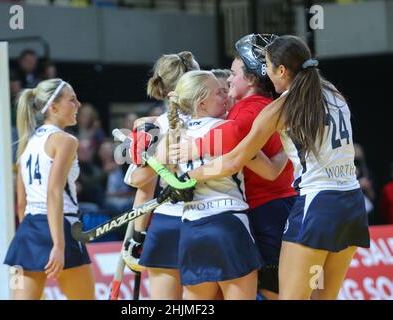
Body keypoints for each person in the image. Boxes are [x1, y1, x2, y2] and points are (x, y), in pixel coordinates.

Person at [172, 35, 370, 300]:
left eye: (268, 67)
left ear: (281, 70)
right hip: (353, 204)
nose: (266, 76)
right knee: (324, 297)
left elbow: (233, 161)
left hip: (317, 204)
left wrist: (190, 175)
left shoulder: (279, 108)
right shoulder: (333, 92)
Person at [171, 34, 297, 299]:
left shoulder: (237, 115)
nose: (228, 81)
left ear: (250, 79)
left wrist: (195, 154)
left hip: (245, 214)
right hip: (253, 215)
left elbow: (237, 142)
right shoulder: (261, 109)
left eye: (232, 74)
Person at [4, 78, 95, 300]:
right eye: (72, 100)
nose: (78, 104)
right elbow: (53, 192)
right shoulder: (65, 140)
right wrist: (58, 245)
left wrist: (30, 238)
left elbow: (21, 204)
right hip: (60, 227)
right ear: (53, 107)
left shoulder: (26, 142)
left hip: (28, 231)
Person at [122, 51, 200, 300]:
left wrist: (136, 235)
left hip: (168, 222)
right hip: (207, 218)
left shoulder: (149, 124)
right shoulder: (218, 118)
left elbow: (141, 184)